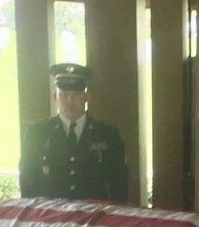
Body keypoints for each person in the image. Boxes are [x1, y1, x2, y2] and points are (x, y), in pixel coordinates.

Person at [19, 63, 128, 202]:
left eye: (76, 94)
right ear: (55, 97)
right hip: (50, 218)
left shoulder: (107, 135)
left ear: (86, 96)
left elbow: (119, 185)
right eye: (63, 95)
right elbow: (27, 183)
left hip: (94, 217)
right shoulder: (37, 134)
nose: (69, 101)